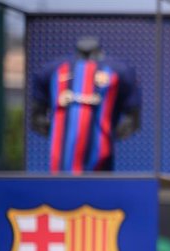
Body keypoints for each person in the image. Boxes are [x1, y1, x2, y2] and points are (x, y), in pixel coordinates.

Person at [31, 36, 141, 173]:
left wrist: (113, 134)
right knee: (62, 191)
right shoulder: (51, 70)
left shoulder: (120, 71)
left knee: (98, 191)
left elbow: (133, 116)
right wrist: (52, 131)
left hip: (102, 160)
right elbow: (36, 116)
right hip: (60, 164)